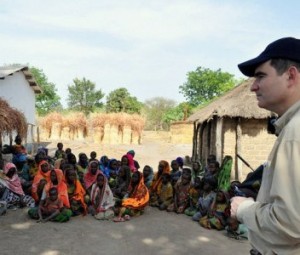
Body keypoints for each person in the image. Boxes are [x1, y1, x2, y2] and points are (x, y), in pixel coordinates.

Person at [230, 37, 300, 255]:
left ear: (290, 75)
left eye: (261, 76)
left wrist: (244, 208)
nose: (253, 87)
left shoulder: (295, 132)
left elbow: (289, 224)